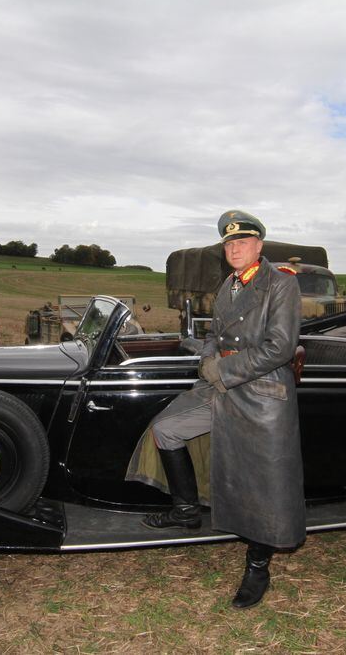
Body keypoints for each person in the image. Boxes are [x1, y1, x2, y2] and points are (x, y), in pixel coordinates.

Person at [137, 209, 305, 609]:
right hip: (222, 386)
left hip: (262, 394)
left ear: (259, 246)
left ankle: (258, 565)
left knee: (261, 484)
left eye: (242, 242)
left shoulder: (280, 285)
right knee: (167, 430)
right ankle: (185, 510)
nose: (234, 248)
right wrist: (207, 358)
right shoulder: (228, 283)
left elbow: (279, 348)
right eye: (229, 243)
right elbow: (215, 334)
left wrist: (221, 368)